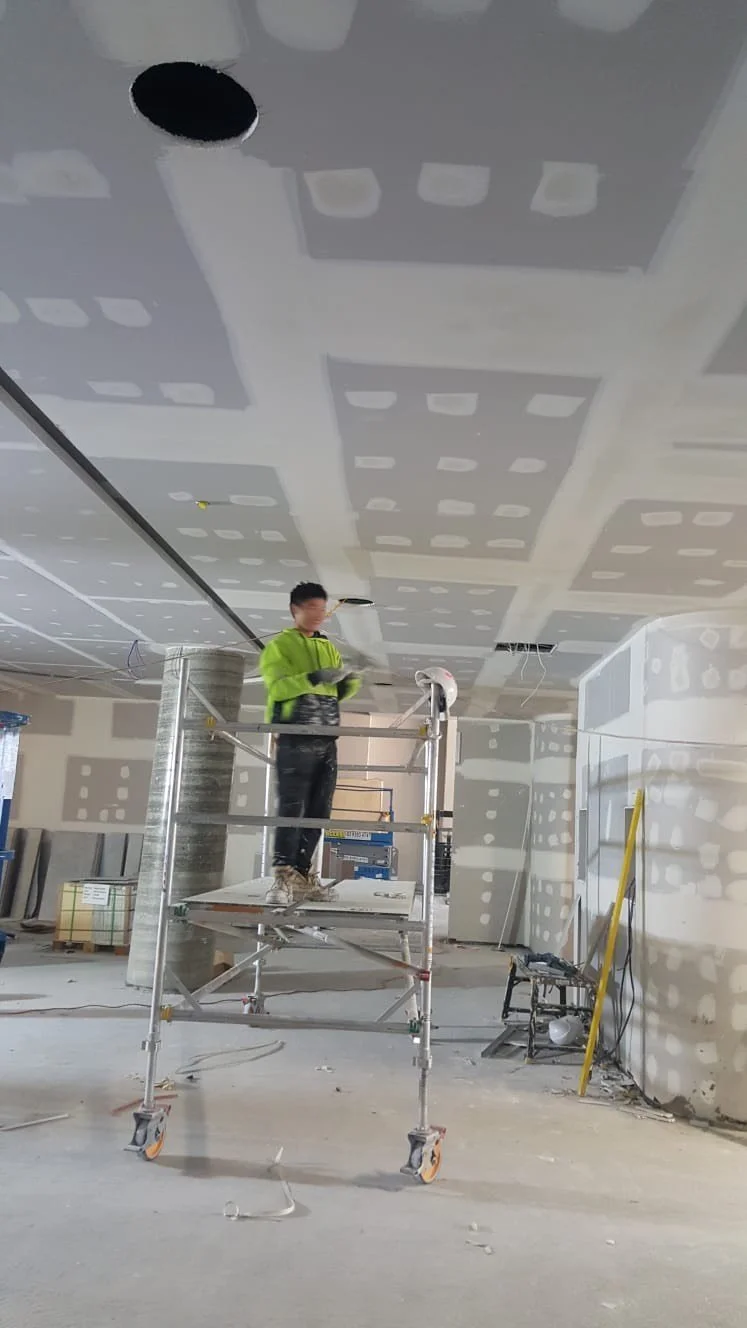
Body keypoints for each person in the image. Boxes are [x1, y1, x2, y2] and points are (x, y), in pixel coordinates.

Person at [259, 582, 362, 905]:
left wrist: (349, 679)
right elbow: (277, 688)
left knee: (319, 811)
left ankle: (304, 876)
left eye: (322, 609)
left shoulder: (327, 646)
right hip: (294, 734)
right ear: (295, 610)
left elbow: (338, 693)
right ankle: (282, 879)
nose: (318, 615)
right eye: (312, 608)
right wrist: (314, 677)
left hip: (326, 738)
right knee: (292, 807)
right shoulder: (280, 646)